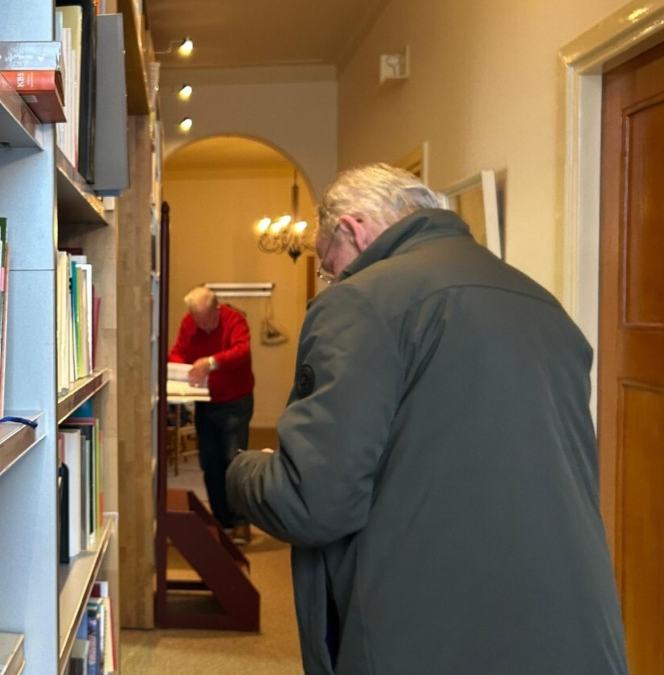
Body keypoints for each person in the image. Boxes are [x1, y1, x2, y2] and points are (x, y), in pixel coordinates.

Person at [225, 164, 628, 675]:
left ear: (353, 229)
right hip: (576, 629)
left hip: (431, 633)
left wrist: (243, 469)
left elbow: (312, 503)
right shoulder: (544, 305)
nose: (334, 279)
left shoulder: (360, 301)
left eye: (329, 265)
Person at [168, 287, 254, 545]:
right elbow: (178, 351)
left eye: (205, 320)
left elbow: (241, 351)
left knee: (233, 462)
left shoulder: (234, 320)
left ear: (217, 309)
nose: (201, 326)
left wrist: (210, 362)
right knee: (210, 463)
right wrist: (180, 371)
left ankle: (241, 522)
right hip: (206, 403)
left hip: (235, 402)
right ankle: (222, 520)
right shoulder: (190, 322)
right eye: (197, 320)